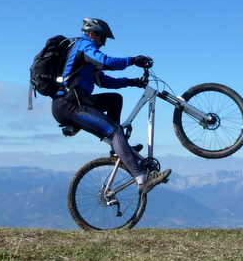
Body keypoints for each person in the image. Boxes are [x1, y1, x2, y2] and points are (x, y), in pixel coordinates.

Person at [52, 18, 171, 197]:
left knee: (114, 99)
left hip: (77, 101)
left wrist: (132, 82)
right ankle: (142, 178)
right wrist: (133, 60)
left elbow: (105, 81)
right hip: (68, 105)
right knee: (114, 131)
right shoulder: (84, 46)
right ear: (91, 34)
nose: (104, 42)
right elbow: (106, 61)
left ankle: (118, 148)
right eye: (102, 38)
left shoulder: (86, 56)